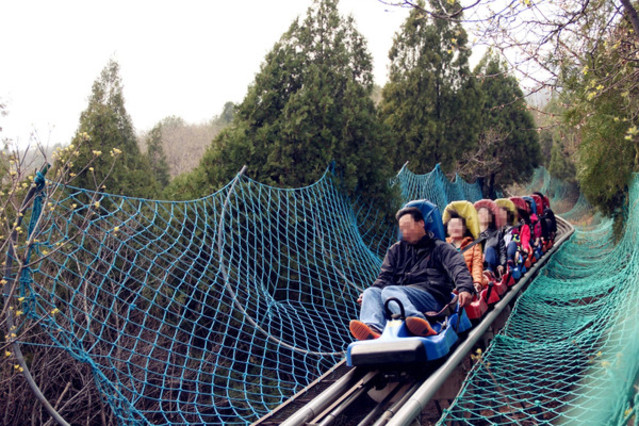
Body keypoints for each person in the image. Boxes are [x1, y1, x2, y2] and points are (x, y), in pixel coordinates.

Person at [349, 207, 475, 341]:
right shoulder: (396, 251)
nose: (405, 233)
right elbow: (384, 278)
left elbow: (458, 267)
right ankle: (373, 330)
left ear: (421, 223)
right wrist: (369, 294)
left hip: (432, 298)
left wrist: (465, 288)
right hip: (401, 296)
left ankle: (418, 321)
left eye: (408, 227)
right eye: (402, 229)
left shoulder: (441, 248)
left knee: (389, 291)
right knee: (371, 292)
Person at [445, 210, 484, 293]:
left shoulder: (473, 245)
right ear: (447, 229)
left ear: (464, 229)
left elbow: (477, 264)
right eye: (452, 225)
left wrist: (477, 281)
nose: (455, 228)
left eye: (458, 225)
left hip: (467, 281)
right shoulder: (442, 245)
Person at [476, 206, 506, 279]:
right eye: (480, 213)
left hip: (494, 263)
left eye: (485, 213)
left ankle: (490, 272)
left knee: (489, 249)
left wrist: (502, 264)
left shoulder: (497, 233)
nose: (483, 215)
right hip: (478, 266)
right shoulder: (472, 236)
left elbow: (502, 251)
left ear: (490, 218)